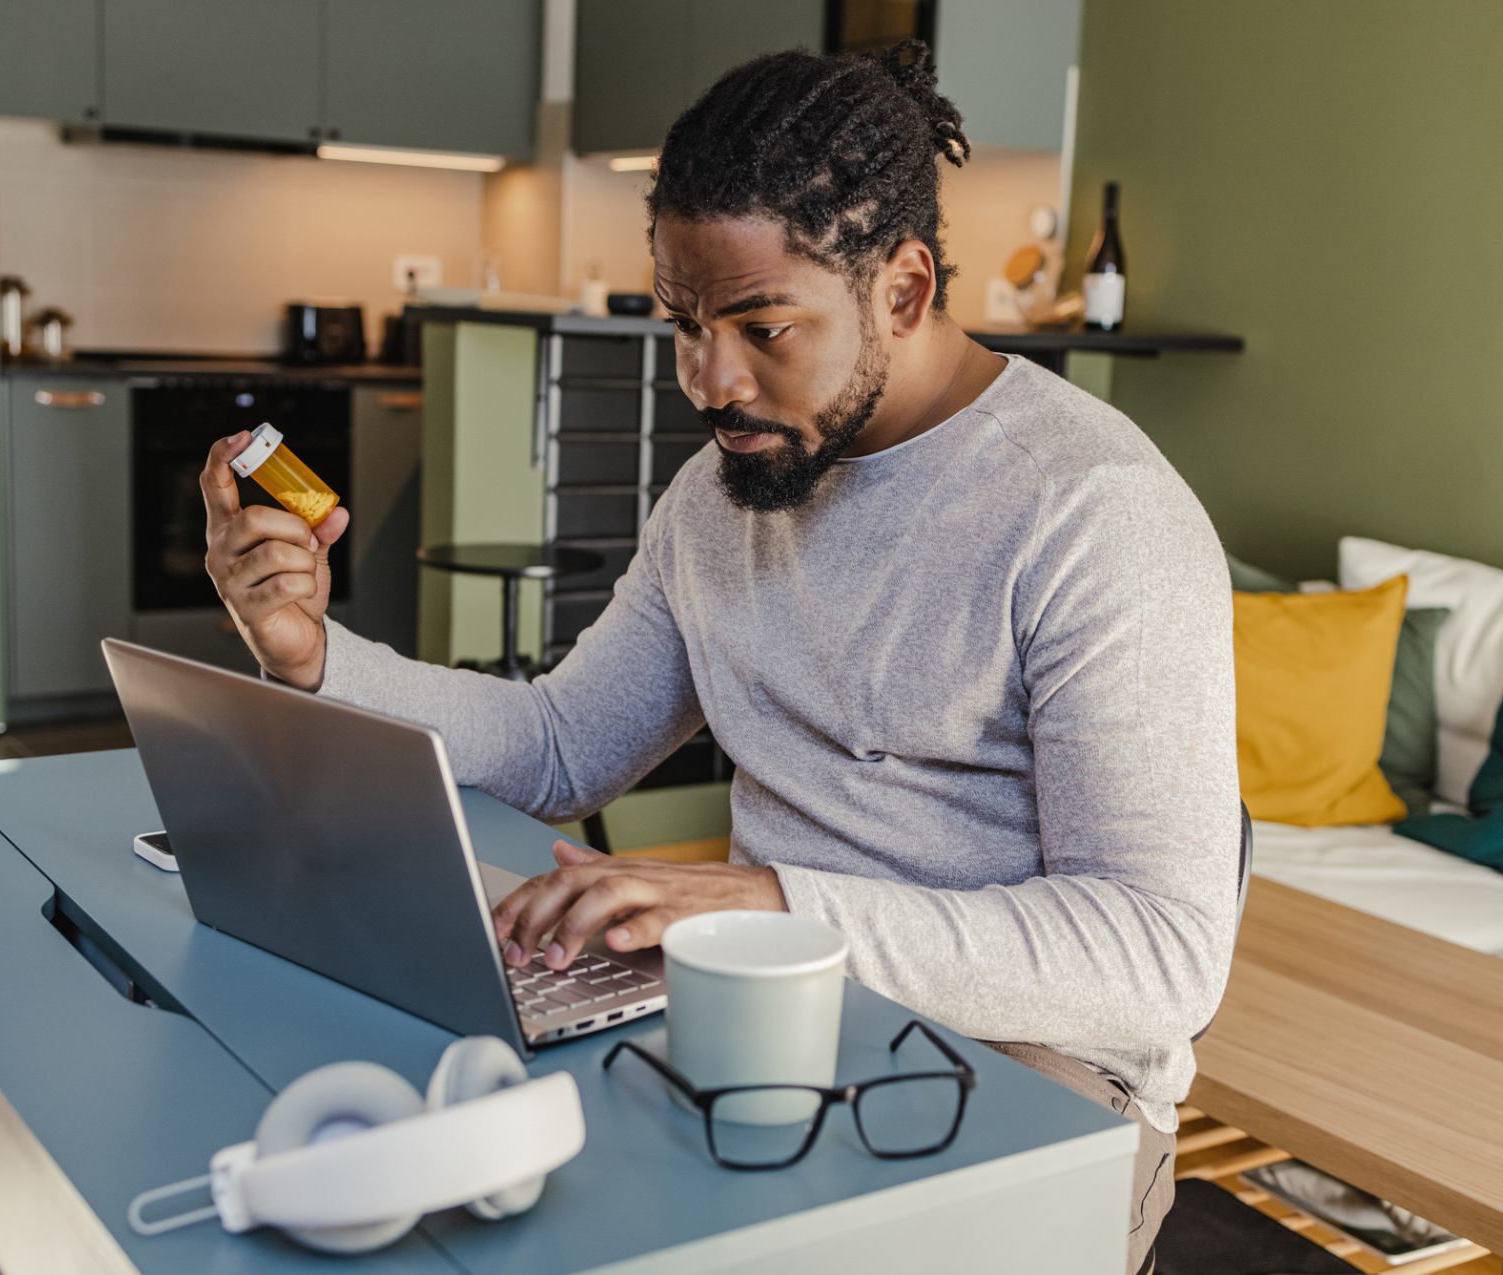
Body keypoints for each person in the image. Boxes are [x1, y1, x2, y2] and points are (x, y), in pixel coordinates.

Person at [201, 43, 1237, 1272]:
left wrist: (769, 905)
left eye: (762, 326)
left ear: (903, 289)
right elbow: (561, 748)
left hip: (1031, 1079)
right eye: (683, 323)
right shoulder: (722, 493)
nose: (710, 379)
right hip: (760, 1016)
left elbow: (1157, 959)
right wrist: (316, 657)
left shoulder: (1095, 514)